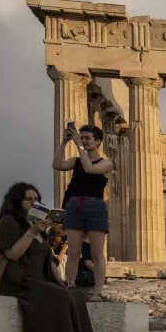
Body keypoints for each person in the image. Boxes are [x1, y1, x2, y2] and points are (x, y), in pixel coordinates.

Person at [0, 183, 94, 332]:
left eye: (36, 199)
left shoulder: (39, 225)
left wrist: (61, 281)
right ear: (17, 201)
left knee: (74, 294)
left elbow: (49, 259)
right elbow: (12, 254)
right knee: (53, 294)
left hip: (39, 277)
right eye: (28, 199)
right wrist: (30, 232)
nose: (33, 203)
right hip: (18, 278)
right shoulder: (8, 222)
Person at [54, 123, 113, 292]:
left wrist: (78, 144)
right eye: (82, 137)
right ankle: (70, 285)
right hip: (75, 204)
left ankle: (98, 290)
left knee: (96, 252)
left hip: (95, 205)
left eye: (88, 138)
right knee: (73, 251)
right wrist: (64, 142)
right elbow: (57, 165)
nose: (84, 141)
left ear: (98, 142)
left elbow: (90, 169)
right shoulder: (76, 161)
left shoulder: (106, 163)